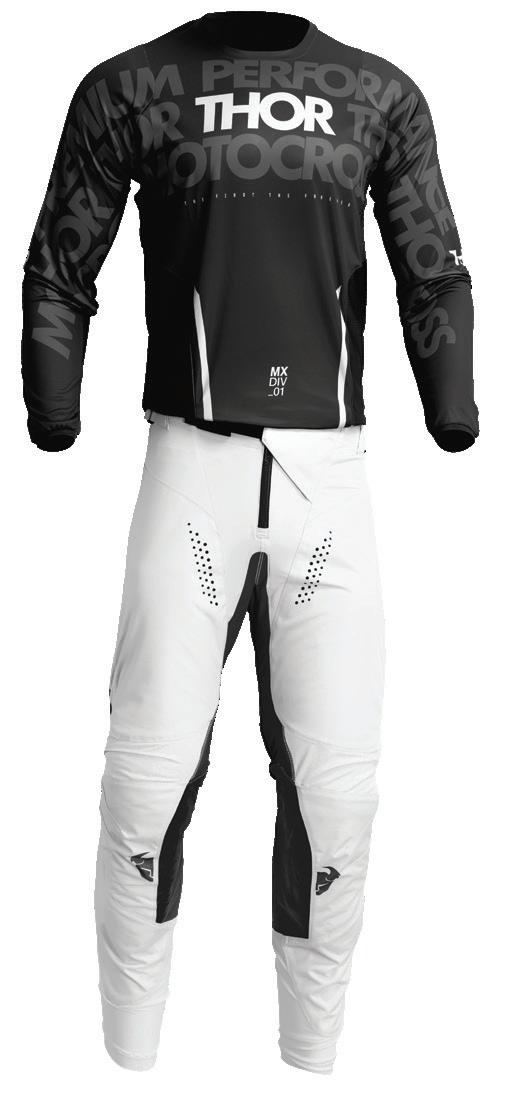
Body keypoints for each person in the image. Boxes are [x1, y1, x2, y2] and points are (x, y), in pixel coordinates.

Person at [21, 12, 478, 1075]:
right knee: (145, 782)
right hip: (192, 470)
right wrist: (54, 401)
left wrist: (450, 400)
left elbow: (431, 264)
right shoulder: (128, 87)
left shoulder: (382, 93)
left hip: (328, 484)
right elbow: (61, 260)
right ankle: (126, 1054)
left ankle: (309, 1059)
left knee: (338, 793)